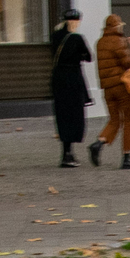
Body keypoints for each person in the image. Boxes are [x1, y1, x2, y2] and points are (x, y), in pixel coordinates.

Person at [92, 14, 130, 169]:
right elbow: (127, 63)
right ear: (117, 26)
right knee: (129, 118)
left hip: (107, 88)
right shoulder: (119, 42)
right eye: (120, 25)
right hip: (121, 87)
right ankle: (127, 157)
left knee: (114, 120)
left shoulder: (100, 43)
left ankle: (99, 142)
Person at [49, 9, 91, 167]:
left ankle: (66, 152)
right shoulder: (77, 38)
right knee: (74, 115)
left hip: (58, 79)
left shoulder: (55, 36)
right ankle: (69, 154)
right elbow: (88, 57)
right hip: (73, 79)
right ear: (77, 21)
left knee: (62, 114)